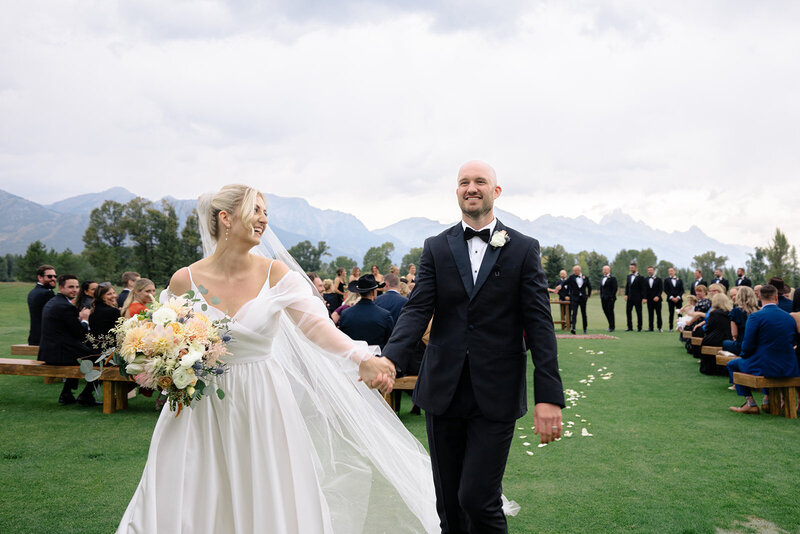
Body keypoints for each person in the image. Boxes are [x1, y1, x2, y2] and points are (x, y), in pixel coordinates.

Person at [116, 184, 439, 533]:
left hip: (261, 398)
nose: (263, 220)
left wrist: (361, 358)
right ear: (225, 217)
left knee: (264, 487)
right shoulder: (185, 279)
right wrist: (158, 361)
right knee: (194, 486)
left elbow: (316, 327)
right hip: (201, 404)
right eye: (256, 210)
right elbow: (164, 336)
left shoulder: (275, 274)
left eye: (265, 213)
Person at [383, 160, 563, 533]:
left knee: (478, 499)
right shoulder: (436, 247)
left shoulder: (524, 249)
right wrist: (389, 358)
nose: (471, 187)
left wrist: (549, 395)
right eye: (464, 182)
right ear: (457, 192)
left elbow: (540, 326)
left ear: (496, 192)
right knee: (449, 506)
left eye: (480, 181)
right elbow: (417, 310)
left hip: (496, 393)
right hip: (442, 390)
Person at [726, 284, 800, 414]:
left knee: (732, 364)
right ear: (776, 297)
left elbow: (747, 345)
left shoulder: (756, 317)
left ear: (759, 297)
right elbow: (792, 341)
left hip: (765, 365)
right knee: (762, 363)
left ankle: (751, 403)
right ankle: (766, 400)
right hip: (789, 366)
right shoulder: (788, 317)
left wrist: (744, 355)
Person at [38, 274, 98, 406]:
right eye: (71, 287)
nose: (75, 290)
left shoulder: (54, 301)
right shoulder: (65, 306)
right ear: (61, 287)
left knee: (87, 357)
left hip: (50, 350)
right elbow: (80, 333)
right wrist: (84, 319)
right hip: (59, 352)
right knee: (100, 359)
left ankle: (67, 394)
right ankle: (86, 395)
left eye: (77, 287)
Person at [339, 274, 395, 350]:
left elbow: (342, 341)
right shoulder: (384, 316)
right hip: (376, 359)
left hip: (353, 359)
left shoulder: (345, 314)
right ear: (373, 292)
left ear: (358, 292)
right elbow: (390, 343)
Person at [699, 293, 733, 375]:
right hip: (728, 337)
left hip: (715, 338)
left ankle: (709, 368)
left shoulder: (714, 313)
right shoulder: (731, 312)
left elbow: (708, 328)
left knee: (704, 341)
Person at [722, 286, 759, 356]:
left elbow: (734, 334)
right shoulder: (759, 310)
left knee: (724, 343)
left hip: (742, 345)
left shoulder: (736, 311)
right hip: (757, 345)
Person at [27, 264, 56, 346]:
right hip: (46, 338)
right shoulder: (47, 293)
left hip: (34, 337)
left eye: (55, 276)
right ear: (40, 277)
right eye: (49, 276)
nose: (53, 279)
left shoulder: (32, 292)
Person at [87, 283, 121, 350]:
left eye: (114, 293)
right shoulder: (113, 311)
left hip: (95, 347)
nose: (113, 296)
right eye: (109, 294)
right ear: (101, 297)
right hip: (109, 350)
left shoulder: (93, 310)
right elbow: (119, 333)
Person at [566, 264, 591, 334]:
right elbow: (566, 282)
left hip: (583, 298)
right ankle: (573, 328)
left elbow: (589, 286)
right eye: (573, 270)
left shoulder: (585, 277)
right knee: (574, 313)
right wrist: (560, 286)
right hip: (575, 297)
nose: (574, 272)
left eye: (575, 270)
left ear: (579, 270)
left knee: (584, 313)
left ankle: (585, 328)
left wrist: (588, 295)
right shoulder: (571, 277)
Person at [625, 262, 645, 332]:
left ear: (636, 268)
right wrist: (626, 294)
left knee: (639, 313)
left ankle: (639, 327)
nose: (631, 269)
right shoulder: (629, 276)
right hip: (629, 298)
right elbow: (627, 286)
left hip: (638, 298)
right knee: (628, 312)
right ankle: (629, 327)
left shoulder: (641, 277)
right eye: (630, 268)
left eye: (632, 268)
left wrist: (644, 298)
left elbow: (643, 288)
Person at [663, 266, 684, 332]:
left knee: (680, 313)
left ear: (675, 271)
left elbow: (682, 290)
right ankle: (670, 328)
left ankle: (680, 327)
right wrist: (672, 297)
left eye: (672, 271)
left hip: (678, 300)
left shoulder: (679, 280)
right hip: (670, 300)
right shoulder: (666, 280)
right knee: (671, 313)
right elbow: (666, 290)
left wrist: (678, 297)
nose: (670, 272)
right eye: (669, 271)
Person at [599, 265, 617, 332]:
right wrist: (601, 296)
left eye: (606, 270)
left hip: (610, 298)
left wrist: (612, 297)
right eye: (603, 270)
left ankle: (612, 327)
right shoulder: (602, 278)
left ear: (609, 270)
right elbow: (601, 288)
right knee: (605, 311)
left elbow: (615, 288)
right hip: (603, 298)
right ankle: (610, 325)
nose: (604, 271)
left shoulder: (612, 278)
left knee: (610, 311)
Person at [644, 266, 663, 332]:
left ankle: (659, 328)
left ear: (654, 271)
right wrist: (645, 298)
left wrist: (657, 296)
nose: (649, 271)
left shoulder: (658, 279)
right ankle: (650, 327)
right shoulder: (646, 279)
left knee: (658, 314)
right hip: (649, 300)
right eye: (648, 270)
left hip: (657, 300)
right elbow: (645, 290)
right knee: (650, 314)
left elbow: (660, 289)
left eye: (651, 270)